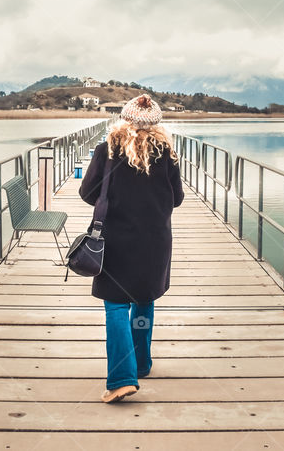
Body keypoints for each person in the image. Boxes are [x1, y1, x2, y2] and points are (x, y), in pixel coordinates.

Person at [79, 94, 184, 403]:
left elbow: (88, 193)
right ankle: (141, 363)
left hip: (114, 238)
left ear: (123, 119)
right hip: (154, 239)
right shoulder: (166, 153)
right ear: (156, 124)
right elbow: (176, 198)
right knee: (143, 297)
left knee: (115, 304)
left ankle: (123, 379)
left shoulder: (106, 150)